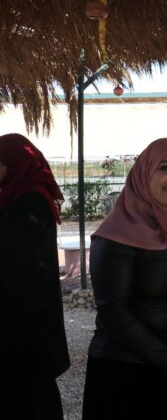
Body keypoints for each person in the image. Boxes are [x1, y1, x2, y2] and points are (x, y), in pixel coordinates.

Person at [81, 138, 167, 420]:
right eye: (166, 168)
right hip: (124, 371)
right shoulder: (115, 234)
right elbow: (114, 312)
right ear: (145, 171)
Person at [0, 133, 70, 420]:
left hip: (25, 320)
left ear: (14, 162)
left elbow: (11, 258)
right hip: (20, 315)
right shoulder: (17, 194)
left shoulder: (30, 200)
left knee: (29, 393)